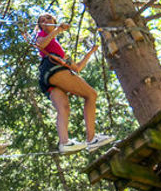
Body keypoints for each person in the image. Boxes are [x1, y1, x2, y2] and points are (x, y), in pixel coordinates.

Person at [32, 13, 114, 154]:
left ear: (54, 21)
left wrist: (90, 52)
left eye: (48, 19)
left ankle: (64, 143)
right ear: (40, 26)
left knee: (63, 108)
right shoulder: (41, 35)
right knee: (91, 95)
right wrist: (58, 29)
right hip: (53, 69)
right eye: (42, 21)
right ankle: (91, 138)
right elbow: (40, 44)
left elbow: (76, 68)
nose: (45, 21)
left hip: (48, 77)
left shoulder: (57, 48)